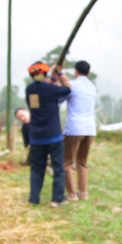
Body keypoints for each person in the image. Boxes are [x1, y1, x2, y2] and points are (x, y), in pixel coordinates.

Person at [25, 62, 71, 207]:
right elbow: (67, 90)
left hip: (36, 137)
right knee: (58, 167)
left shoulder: (29, 89)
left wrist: (53, 76)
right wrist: (61, 75)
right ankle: (57, 199)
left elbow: (45, 88)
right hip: (53, 135)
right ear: (44, 74)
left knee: (37, 169)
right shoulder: (50, 89)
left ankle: (34, 198)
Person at [64, 60, 98, 201]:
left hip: (74, 128)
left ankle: (72, 194)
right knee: (82, 162)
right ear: (88, 73)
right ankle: (83, 192)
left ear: (75, 71)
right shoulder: (92, 87)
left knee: (67, 163)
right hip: (90, 128)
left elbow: (63, 92)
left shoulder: (73, 85)